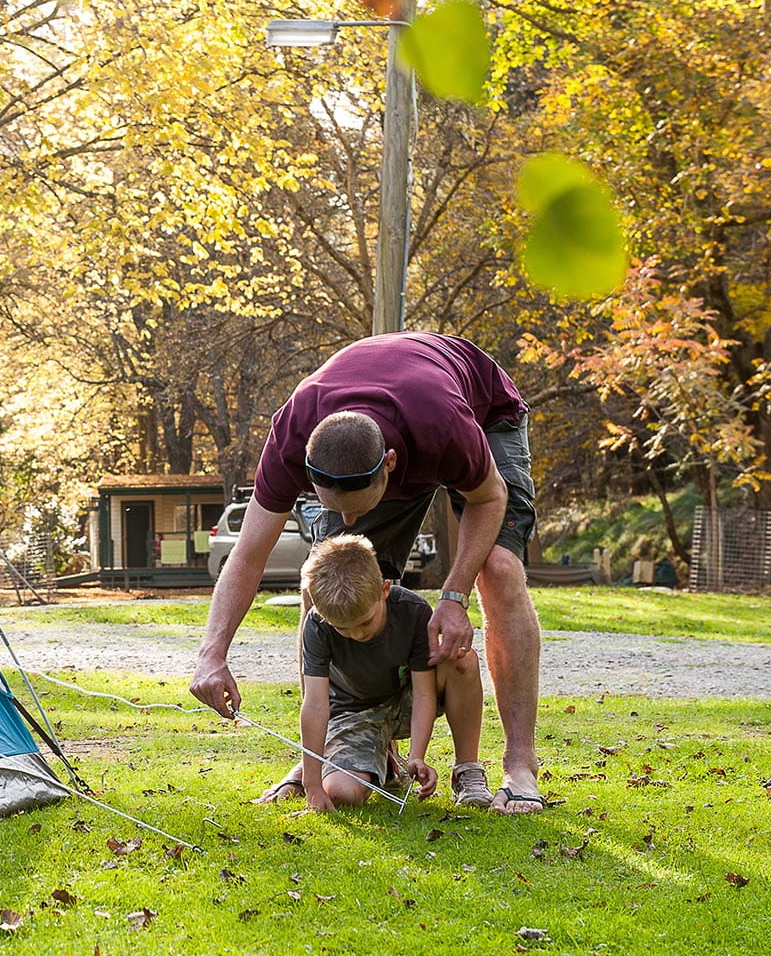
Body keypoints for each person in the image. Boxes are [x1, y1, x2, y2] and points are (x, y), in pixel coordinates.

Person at [190, 331, 548, 814]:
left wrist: (454, 595)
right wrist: (211, 653)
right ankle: (330, 749)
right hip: (383, 422)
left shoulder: (441, 425)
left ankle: (519, 764)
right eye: (339, 509)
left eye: (359, 509)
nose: (352, 523)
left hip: (482, 412)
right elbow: (249, 554)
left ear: (390, 468)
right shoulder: (292, 435)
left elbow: (489, 497)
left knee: (501, 568)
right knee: (324, 577)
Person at [253, 535, 491, 812]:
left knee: (461, 659)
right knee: (342, 794)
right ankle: (375, 763)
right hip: (354, 713)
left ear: (384, 590)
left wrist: (417, 756)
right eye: (343, 629)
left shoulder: (413, 612)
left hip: (406, 702)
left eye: (365, 622)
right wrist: (314, 786)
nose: (357, 634)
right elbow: (316, 705)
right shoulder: (317, 625)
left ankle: (467, 770)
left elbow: (424, 693)